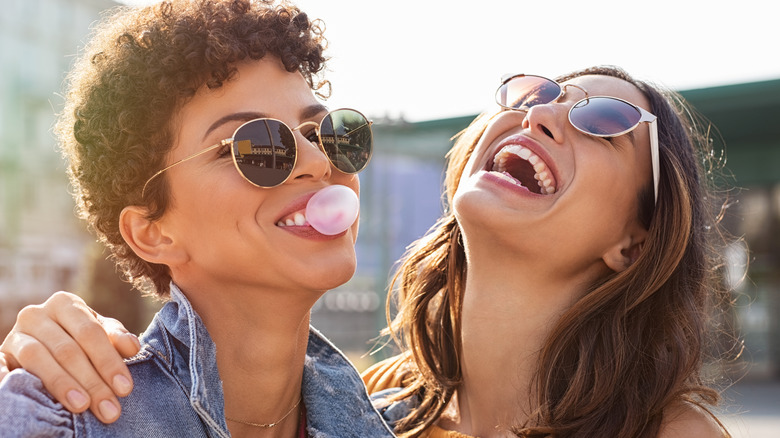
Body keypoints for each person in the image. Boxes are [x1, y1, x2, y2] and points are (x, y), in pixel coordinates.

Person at [1, 64, 735, 436]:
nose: (540, 113)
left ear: (635, 241)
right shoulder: (374, 417)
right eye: (534, 92)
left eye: (603, 117)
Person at [0, 0, 395, 437]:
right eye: (256, 145)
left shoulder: (390, 422)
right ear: (153, 233)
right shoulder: (54, 421)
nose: (317, 162)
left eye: (323, 132)